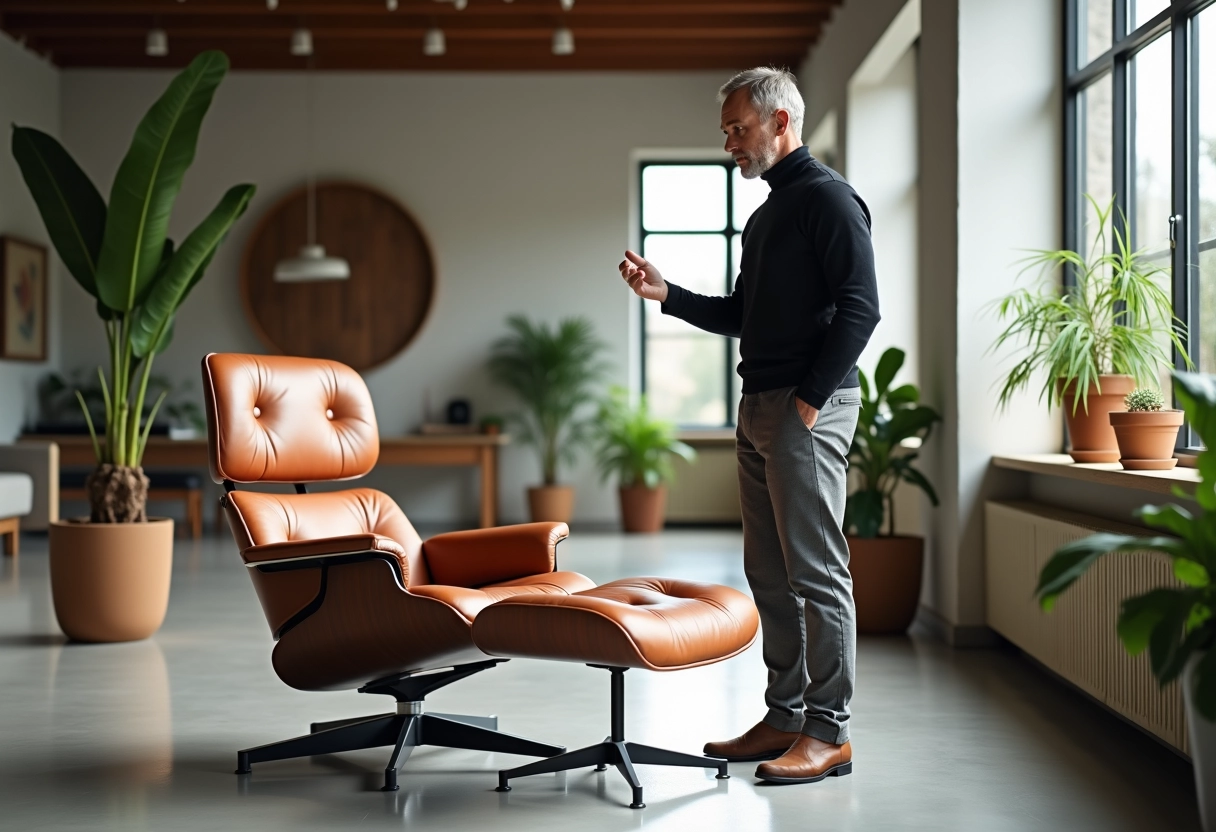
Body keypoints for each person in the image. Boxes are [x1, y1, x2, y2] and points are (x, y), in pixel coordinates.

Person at [618, 66, 880, 785]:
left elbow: (862, 306)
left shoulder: (827, 200)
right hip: (760, 405)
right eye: (727, 131)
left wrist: (811, 398)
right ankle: (785, 714)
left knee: (817, 574)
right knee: (769, 573)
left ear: (780, 122)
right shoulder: (768, 215)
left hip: (803, 407)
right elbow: (744, 315)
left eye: (739, 128)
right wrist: (665, 293)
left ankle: (830, 732)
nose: (731, 142)